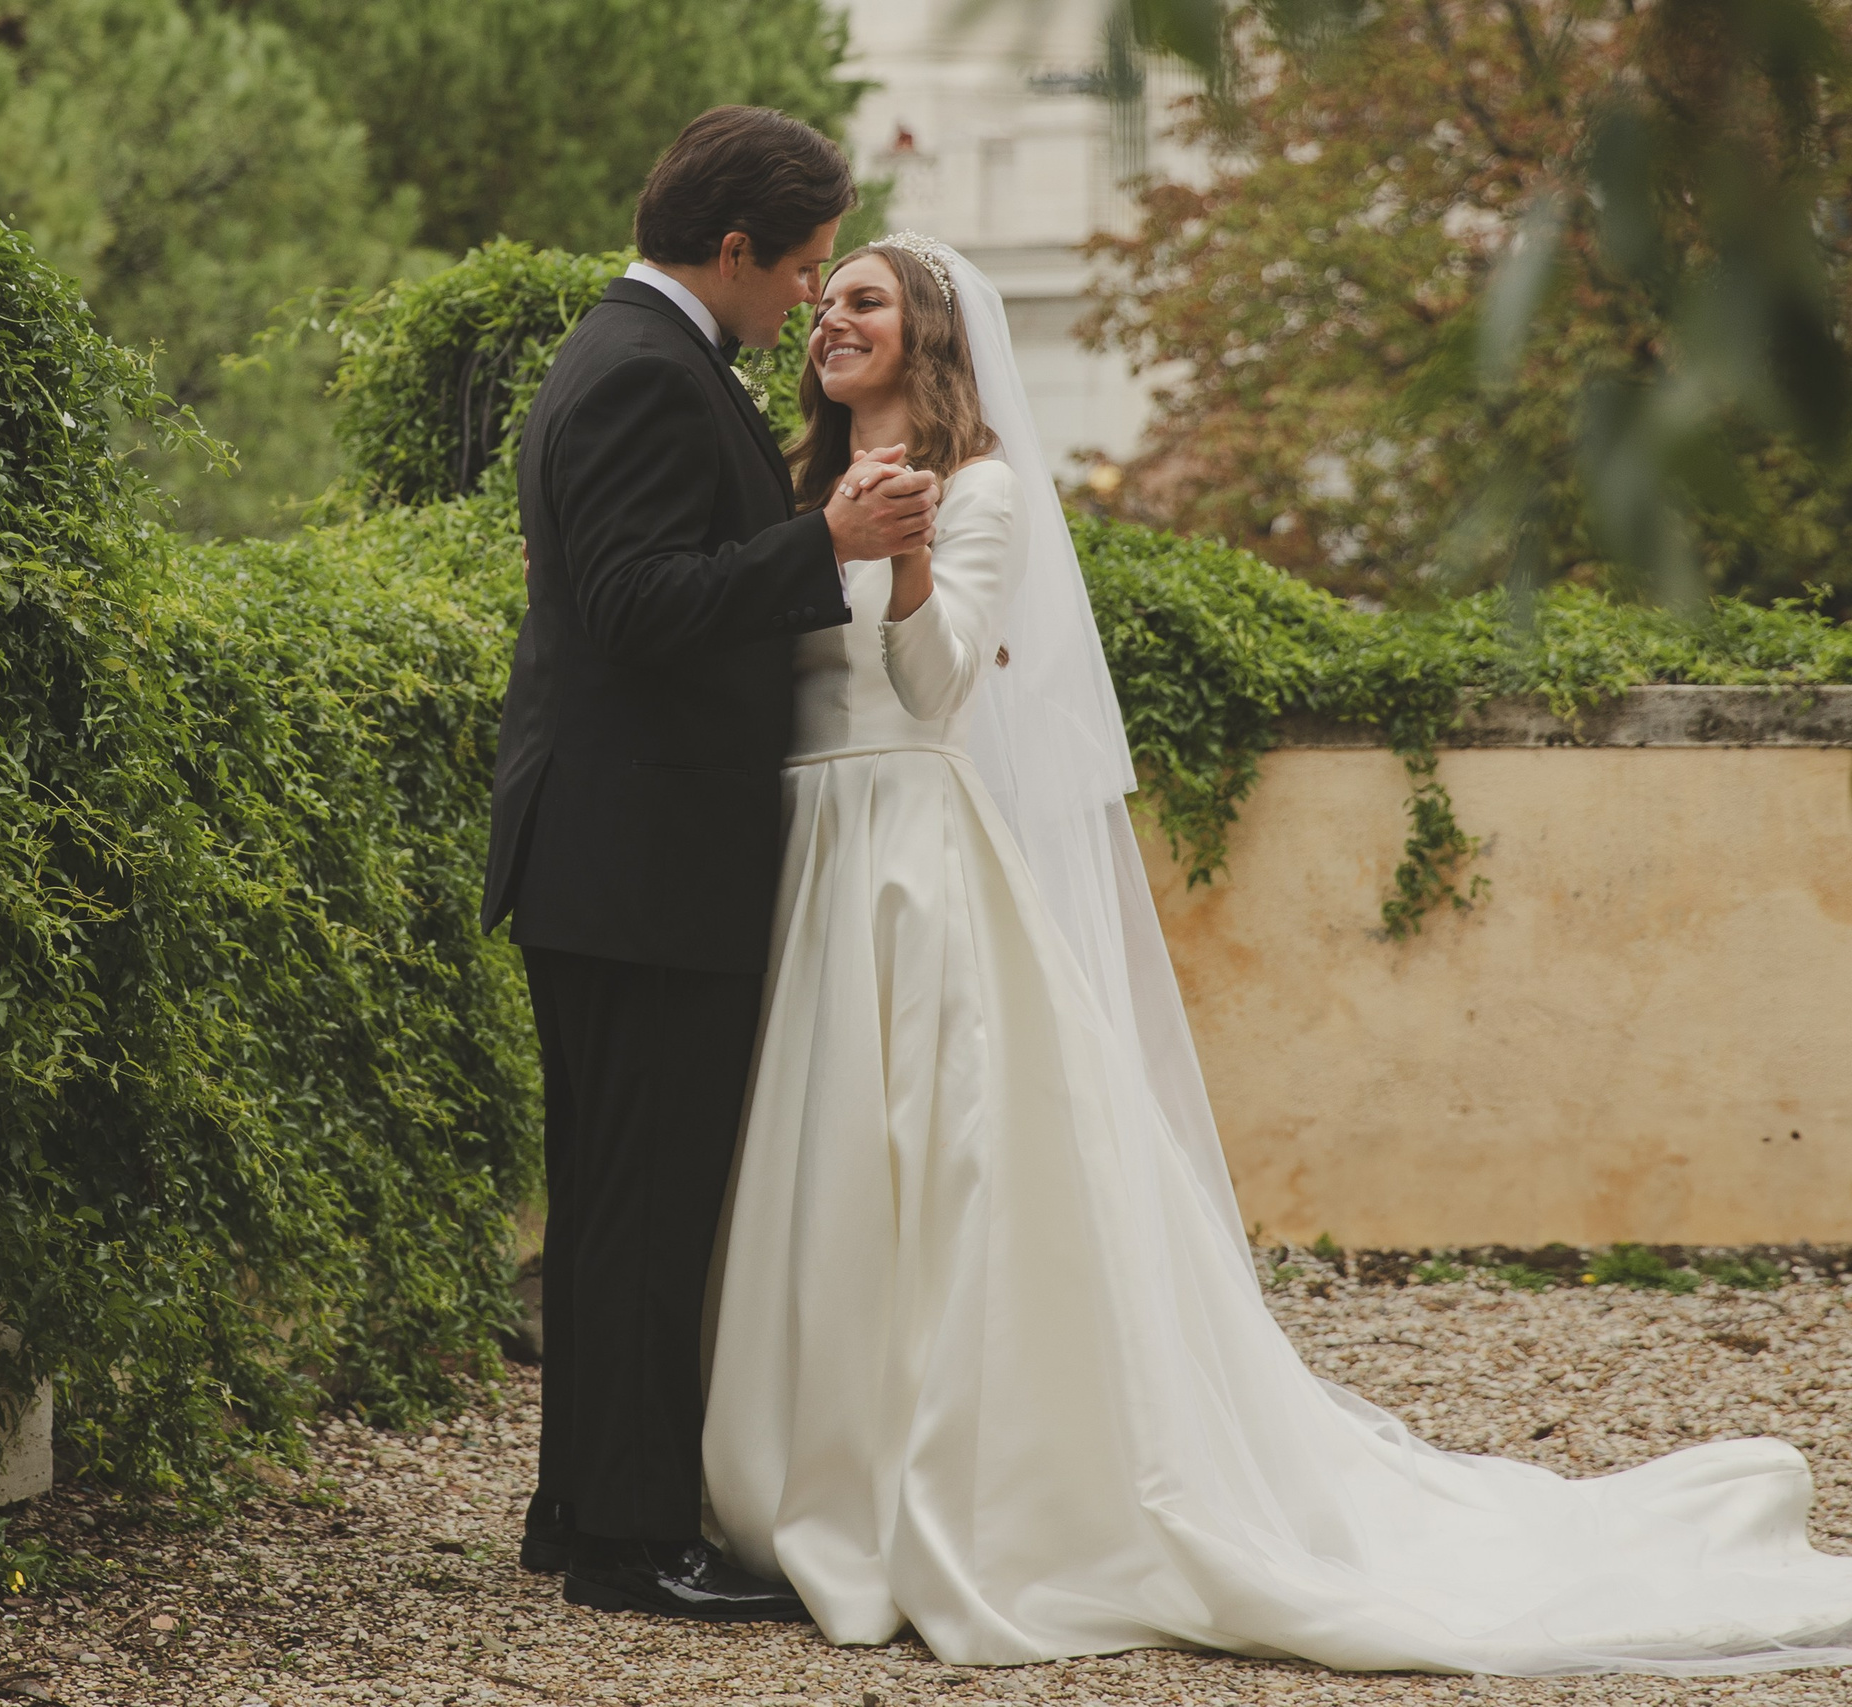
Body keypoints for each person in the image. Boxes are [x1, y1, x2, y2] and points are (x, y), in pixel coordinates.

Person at [697, 230, 1852, 1673]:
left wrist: (914, 557)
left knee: (942, 1166)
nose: (830, 320)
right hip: (806, 850)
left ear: (929, 331)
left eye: (864, 300)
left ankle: (955, 1493)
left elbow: (932, 695)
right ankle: (815, 1472)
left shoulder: (977, 490)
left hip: (906, 854)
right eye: (827, 302)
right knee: (830, 1166)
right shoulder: (797, 486)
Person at [480, 108, 941, 1621]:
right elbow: (629, 605)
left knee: (619, 1195)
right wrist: (823, 539)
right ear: (731, 251)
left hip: (622, 856)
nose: (811, 298)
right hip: (638, 860)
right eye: (805, 269)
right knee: (644, 1204)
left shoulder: (641, 359)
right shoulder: (640, 372)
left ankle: (579, 1511)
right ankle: (628, 1543)